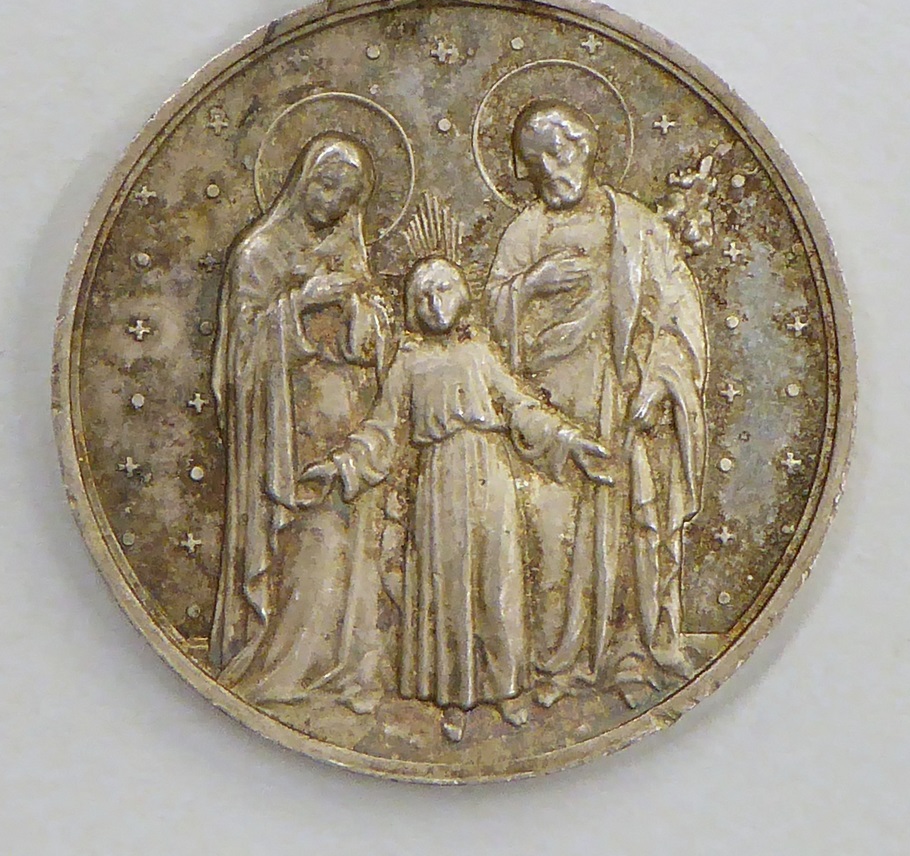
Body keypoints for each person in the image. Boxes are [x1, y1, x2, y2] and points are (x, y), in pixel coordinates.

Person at [302, 255, 611, 742]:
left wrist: (568, 440)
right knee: (444, 589)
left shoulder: (479, 352)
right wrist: (342, 465)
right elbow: (382, 429)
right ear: (413, 305)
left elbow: (519, 406)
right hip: (437, 481)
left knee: (498, 583)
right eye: (423, 295)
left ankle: (506, 689)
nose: (434, 304)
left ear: (461, 294)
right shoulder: (408, 361)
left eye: (443, 290)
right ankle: (451, 698)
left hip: (490, 474)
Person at [486, 99, 707, 693]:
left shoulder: (635, 225)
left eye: (557, 152)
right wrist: (530, 285)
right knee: (552, 537)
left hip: (620, 399)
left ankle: (629, 650)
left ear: (584, 148)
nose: (548, 169)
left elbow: (677, 312)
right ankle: (555, 661)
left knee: (631, 523)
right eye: (535, 160)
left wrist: (659, 382)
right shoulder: (526, 230)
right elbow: (490, 320)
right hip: (549, 410)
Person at [209, 133, 390, 713]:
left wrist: (361, 310)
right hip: (284, 434)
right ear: (302, 180)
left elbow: (374, 338)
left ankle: (340, 666)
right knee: (304, 543)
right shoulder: (258, 253)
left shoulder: (348, 250)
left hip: (345, 426)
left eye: (347, 196)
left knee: (343, 541)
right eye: (326, 185)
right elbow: (240, 357)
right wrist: (303, 302)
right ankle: (282, 664)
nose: (333, 203)